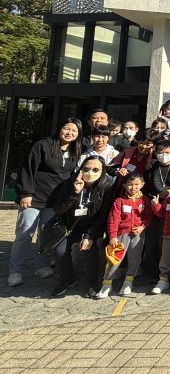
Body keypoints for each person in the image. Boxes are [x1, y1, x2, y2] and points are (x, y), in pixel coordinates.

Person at [9, 118, 83, 287]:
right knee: (24, 233)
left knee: (45, 235)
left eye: (74, 131)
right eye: (67, 128)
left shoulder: (75, 151)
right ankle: (15, 271)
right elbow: (28, 168)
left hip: (55, 201)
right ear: (60, 128)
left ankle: (41, 266)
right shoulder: (43, 145)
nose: (69, 133)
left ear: (78, 135)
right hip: (34, 198)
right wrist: (25, 193)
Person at [48, 156, 113, 297]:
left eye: (95, 170)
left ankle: (93, 283)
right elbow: (59, 209)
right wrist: (74, 192)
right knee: (60, 251)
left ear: (102, 171)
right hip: (70, 226)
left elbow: (103, 215)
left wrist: (89, 236)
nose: (90, 172)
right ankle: (68, 280)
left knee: (90, 249)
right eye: (86, 169)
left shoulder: (106, 186)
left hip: (92, 226)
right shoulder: (70, 183)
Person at [97, 171, 153, 298]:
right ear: (124, 186)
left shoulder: (145, 200)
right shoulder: (119, 201)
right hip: (121, 234)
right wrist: (113, 236)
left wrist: (142, 227)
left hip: (137, 235)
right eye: (130, 184)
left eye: (136, 184)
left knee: (135, 258)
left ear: (142, 184)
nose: (133, 187)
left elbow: (148, 216)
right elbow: (113, 220)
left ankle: (128, 282)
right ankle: (107, 284)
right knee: (115, 259)